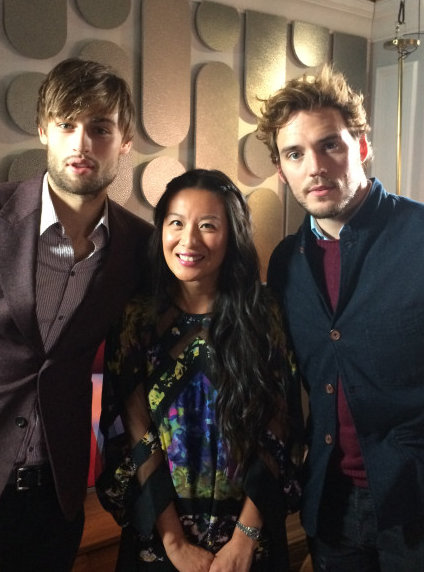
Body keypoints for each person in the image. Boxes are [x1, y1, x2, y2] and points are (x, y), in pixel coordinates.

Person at [256, 65, 424, 571]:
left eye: (330, 145)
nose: (315, 167)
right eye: (295, 153)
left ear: (361, 146)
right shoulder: (287, 262)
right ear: (281, 169)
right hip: (329, 510)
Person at [0, 58, 152, 572]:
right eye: (66, 124)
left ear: (125, 140)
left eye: (100, 128)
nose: (82, 143)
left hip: (56, 497)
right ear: (43, 130)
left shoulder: (139, 246)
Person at [96, 169, 302, 572]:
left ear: (232, 235)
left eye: (208, 226)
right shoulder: (137, 317)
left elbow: (278, 427)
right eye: (176, 223)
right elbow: (133, 431)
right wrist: (174, 541)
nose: (188, 240)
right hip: (159, 537)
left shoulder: (263, 313)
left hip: (250, 540)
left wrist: (244, 538)